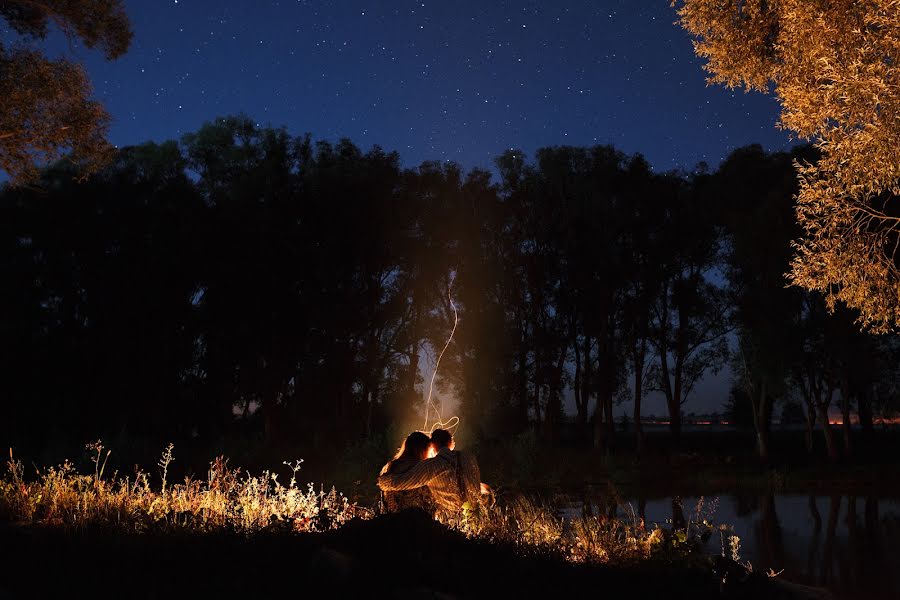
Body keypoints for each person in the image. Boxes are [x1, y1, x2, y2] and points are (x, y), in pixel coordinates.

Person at [376, 428, 485, 517]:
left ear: (433, 445)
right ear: (450, 442)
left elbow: (397, 483)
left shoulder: (429, 466)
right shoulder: (469, 457)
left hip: (405, 519)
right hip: (476, 515)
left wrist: (381, 480)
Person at [378, 431, 435, 514]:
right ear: (421, 449)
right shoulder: (418, 467)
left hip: (392, 516)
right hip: (413, 517)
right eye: (428, 450)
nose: (429, 454)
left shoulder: (392, 466)